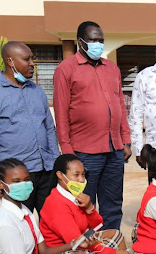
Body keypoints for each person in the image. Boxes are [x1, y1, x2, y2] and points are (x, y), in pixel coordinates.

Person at [53, 21, 132, 230]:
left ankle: (110, 244)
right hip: (84, 151)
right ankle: (88, 251)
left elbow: (120, 107)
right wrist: (68, 154)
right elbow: (61, 115)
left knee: (113, 203)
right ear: (81, 42)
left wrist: (126, 140)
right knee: (84, 203)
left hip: (114, 149)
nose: (98, 44)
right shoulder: (66, 69)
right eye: (93, 40)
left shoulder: (112, 68)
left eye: (101, 40)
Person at [0, 41, 60, 213]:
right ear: (10, 61)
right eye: (27, 59)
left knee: (51, 224)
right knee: (21, 225)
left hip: (46, 170)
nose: (32, 64)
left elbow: (49, 128)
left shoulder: (37, 91)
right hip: (16, 178)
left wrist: (55, 162)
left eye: (32, 59)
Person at [39, 154, 131, 254]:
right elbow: (78, 244)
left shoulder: (74, 195)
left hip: (82, 241)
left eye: (83, 174)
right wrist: (112, 253)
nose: (82, 180)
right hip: (67, 253)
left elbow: (97, 226)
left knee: (116, 234)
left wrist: (89, 208)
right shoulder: (57, 204)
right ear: (60, 175)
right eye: (76, 175)